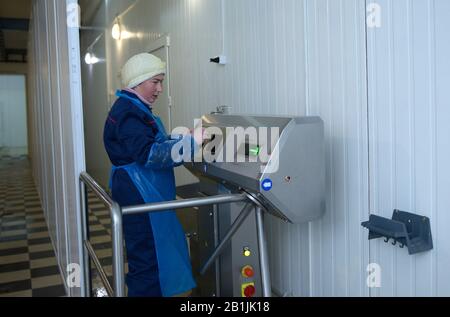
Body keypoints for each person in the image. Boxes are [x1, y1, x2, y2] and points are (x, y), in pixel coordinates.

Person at [103, 53, 197, 297]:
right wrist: (190, 144)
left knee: (154, 253)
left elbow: (149, 143)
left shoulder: (134, 107)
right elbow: (149, 155)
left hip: (145, 192)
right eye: (155, 82)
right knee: (148, 260)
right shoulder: (129, 112)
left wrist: (181, 139)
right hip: (140, 193)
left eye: (161, 82)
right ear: (137, 81)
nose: (160, 88)